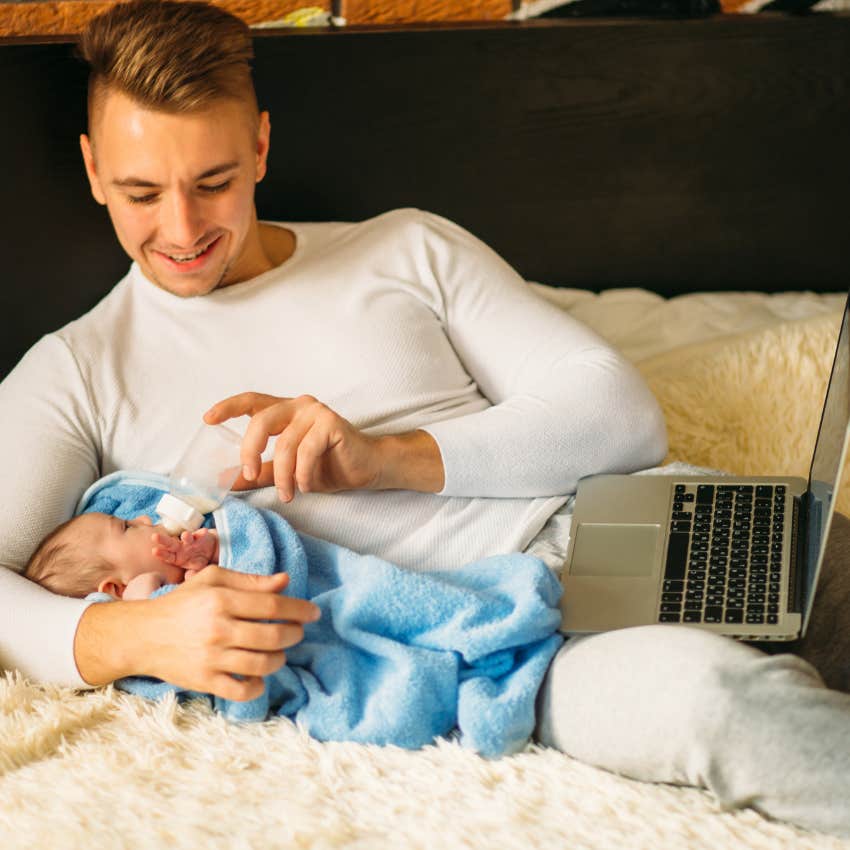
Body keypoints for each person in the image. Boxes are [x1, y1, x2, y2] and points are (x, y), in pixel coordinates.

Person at [0, 0, 848, 837]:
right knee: (723, 707)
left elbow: (622, 414)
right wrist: (133, 634)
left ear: (260, 146)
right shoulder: (77, 369)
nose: (181, 229)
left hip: (614, 524)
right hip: (500, 653)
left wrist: (386, 458)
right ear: (90, 170)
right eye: (141, 193)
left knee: (833, 574)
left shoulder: (402, 248)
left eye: (212, 182)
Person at [23, 511, 217, 600]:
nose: (144, 518)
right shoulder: (141, 610)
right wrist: (141, 601)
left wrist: (213, 548)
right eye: (127, 527)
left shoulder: (187, 556)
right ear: (117, 589)